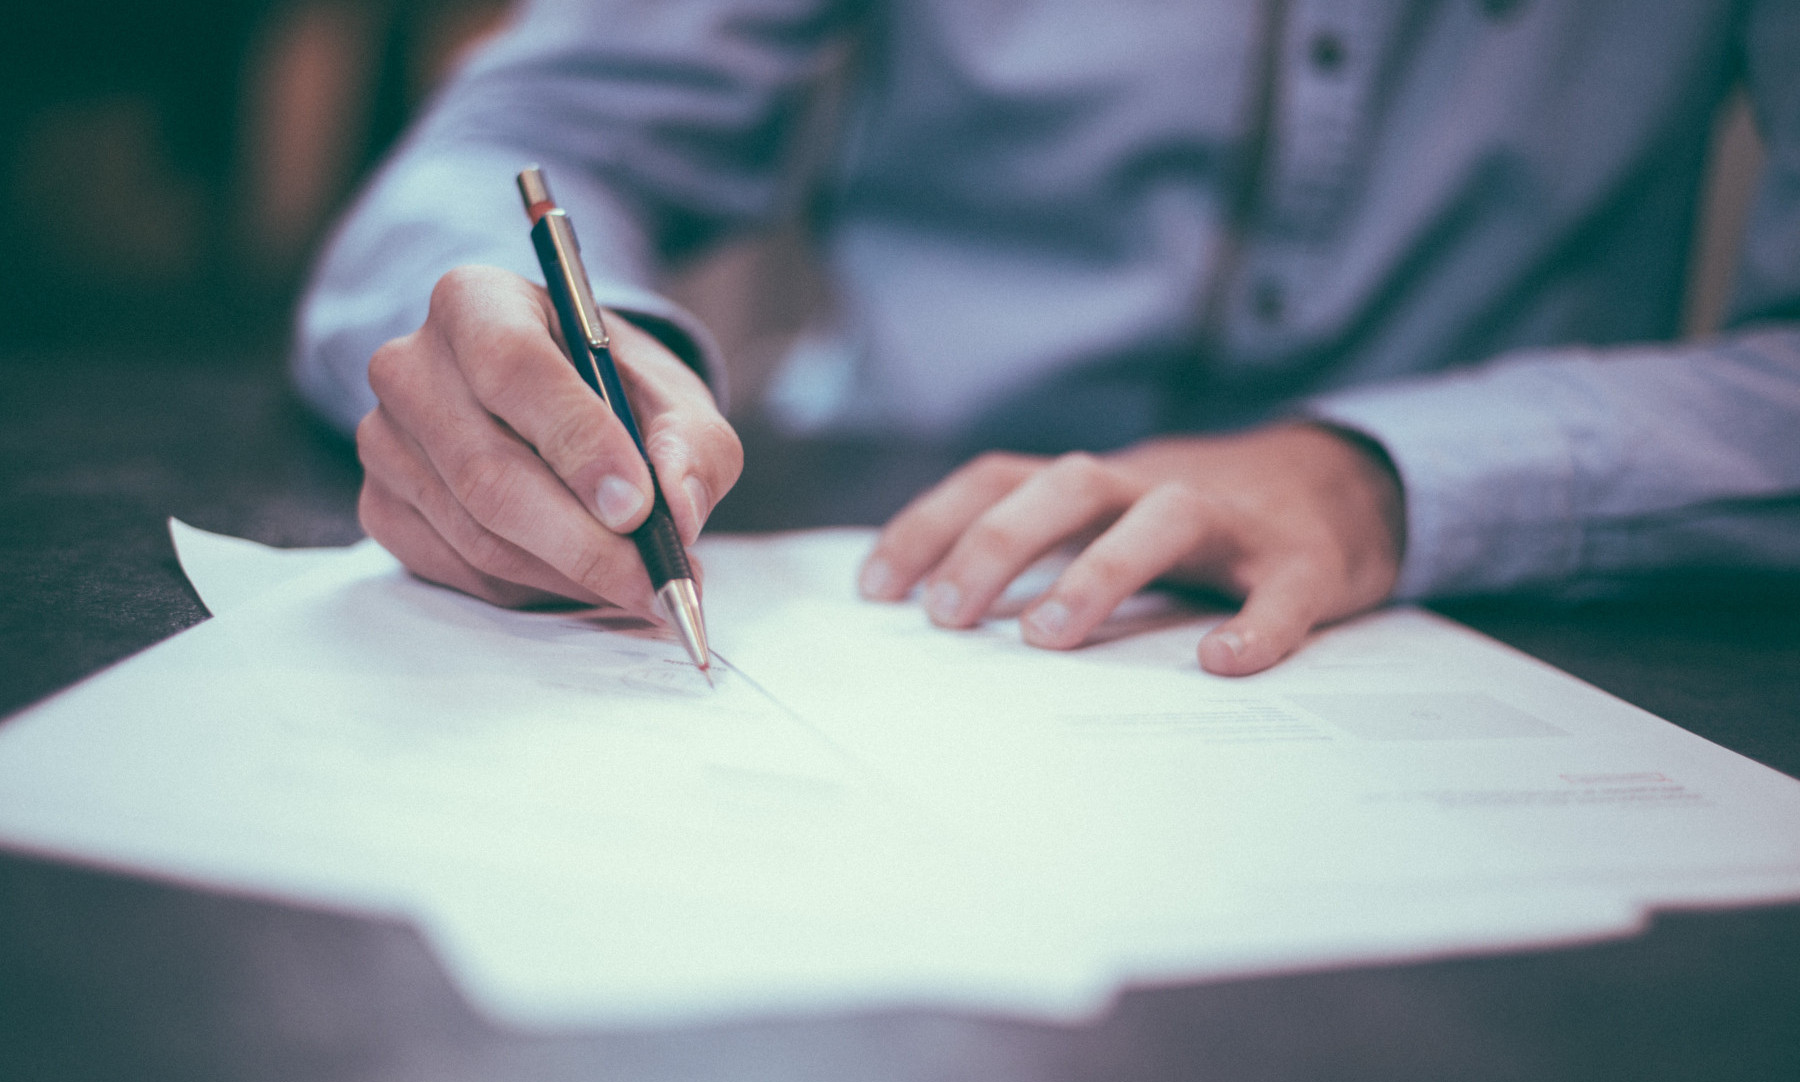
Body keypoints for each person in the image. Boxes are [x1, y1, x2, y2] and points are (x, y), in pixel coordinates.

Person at [294, 0, 1800, 676]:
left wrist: (1383, 476)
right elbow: (523, 134)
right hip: (887, 563)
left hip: (1524, 621)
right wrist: (532, 369)